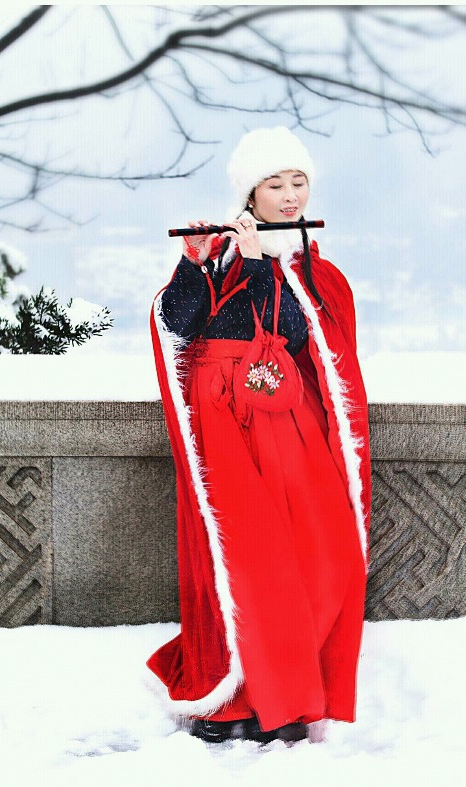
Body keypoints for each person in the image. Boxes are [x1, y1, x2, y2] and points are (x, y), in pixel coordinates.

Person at [147, 127, 371, 745]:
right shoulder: (220, 248)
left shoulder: (306, 262)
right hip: (221, 418)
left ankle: (286, 690)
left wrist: (258, 265)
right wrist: (194, 263)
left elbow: (295, 331)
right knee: (239, 556)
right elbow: (182, 322)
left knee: (316, 554)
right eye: (275, 184)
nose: (290, 195)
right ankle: (232, 701)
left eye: (299, 182)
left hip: (280, 413)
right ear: (251, 192)